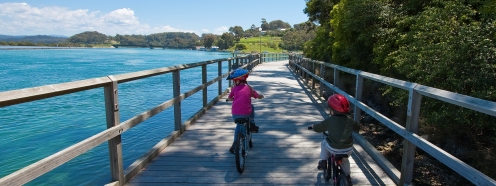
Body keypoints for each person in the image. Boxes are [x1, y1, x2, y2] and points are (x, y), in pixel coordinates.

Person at [309, 94, 359, 184]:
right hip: (348, 149)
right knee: (345, 159)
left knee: (324, 143)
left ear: (332, 110)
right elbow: (357, 128)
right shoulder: (350, 120)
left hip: (333, 148)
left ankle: (323, 161)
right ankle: (347, 176)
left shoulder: (329, 120)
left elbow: (318, 127)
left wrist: (313, 126)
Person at [226, 68, 264, 154]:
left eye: (234, 81)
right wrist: (260, 96)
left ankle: (235, 143)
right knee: (251, 106)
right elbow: (256, 95)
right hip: (246, 113)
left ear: (237, 81)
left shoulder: (234, 89)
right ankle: (252, 123)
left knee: (238, 126)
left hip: (235, 114)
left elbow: (229, 98)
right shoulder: (249, 88)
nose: (234, 82)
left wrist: (231, 99)